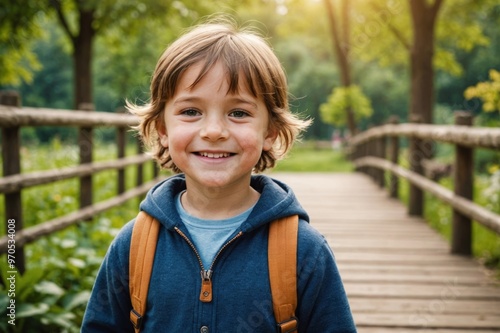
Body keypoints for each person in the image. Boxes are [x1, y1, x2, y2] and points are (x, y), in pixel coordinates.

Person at [82, 18, 356, 333]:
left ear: (270, 131)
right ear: (162, 129)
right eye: (190, 112)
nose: (213, 131)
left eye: (238, 113)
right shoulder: (134, 246)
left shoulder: (303, 251)